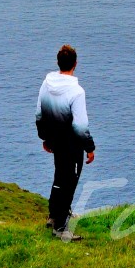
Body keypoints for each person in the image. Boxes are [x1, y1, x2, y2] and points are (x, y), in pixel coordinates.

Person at [35, 43, 96, 240]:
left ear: (58, 62)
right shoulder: (77, 91)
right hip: (71, 144)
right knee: (69, 182)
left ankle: (53, 217)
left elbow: (39, 113)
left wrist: (45, 137)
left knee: (59, 177)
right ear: (75, 64)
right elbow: (80, 126)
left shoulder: (47, 83)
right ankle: (61, 228)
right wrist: (90, 147)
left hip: (54, 139)